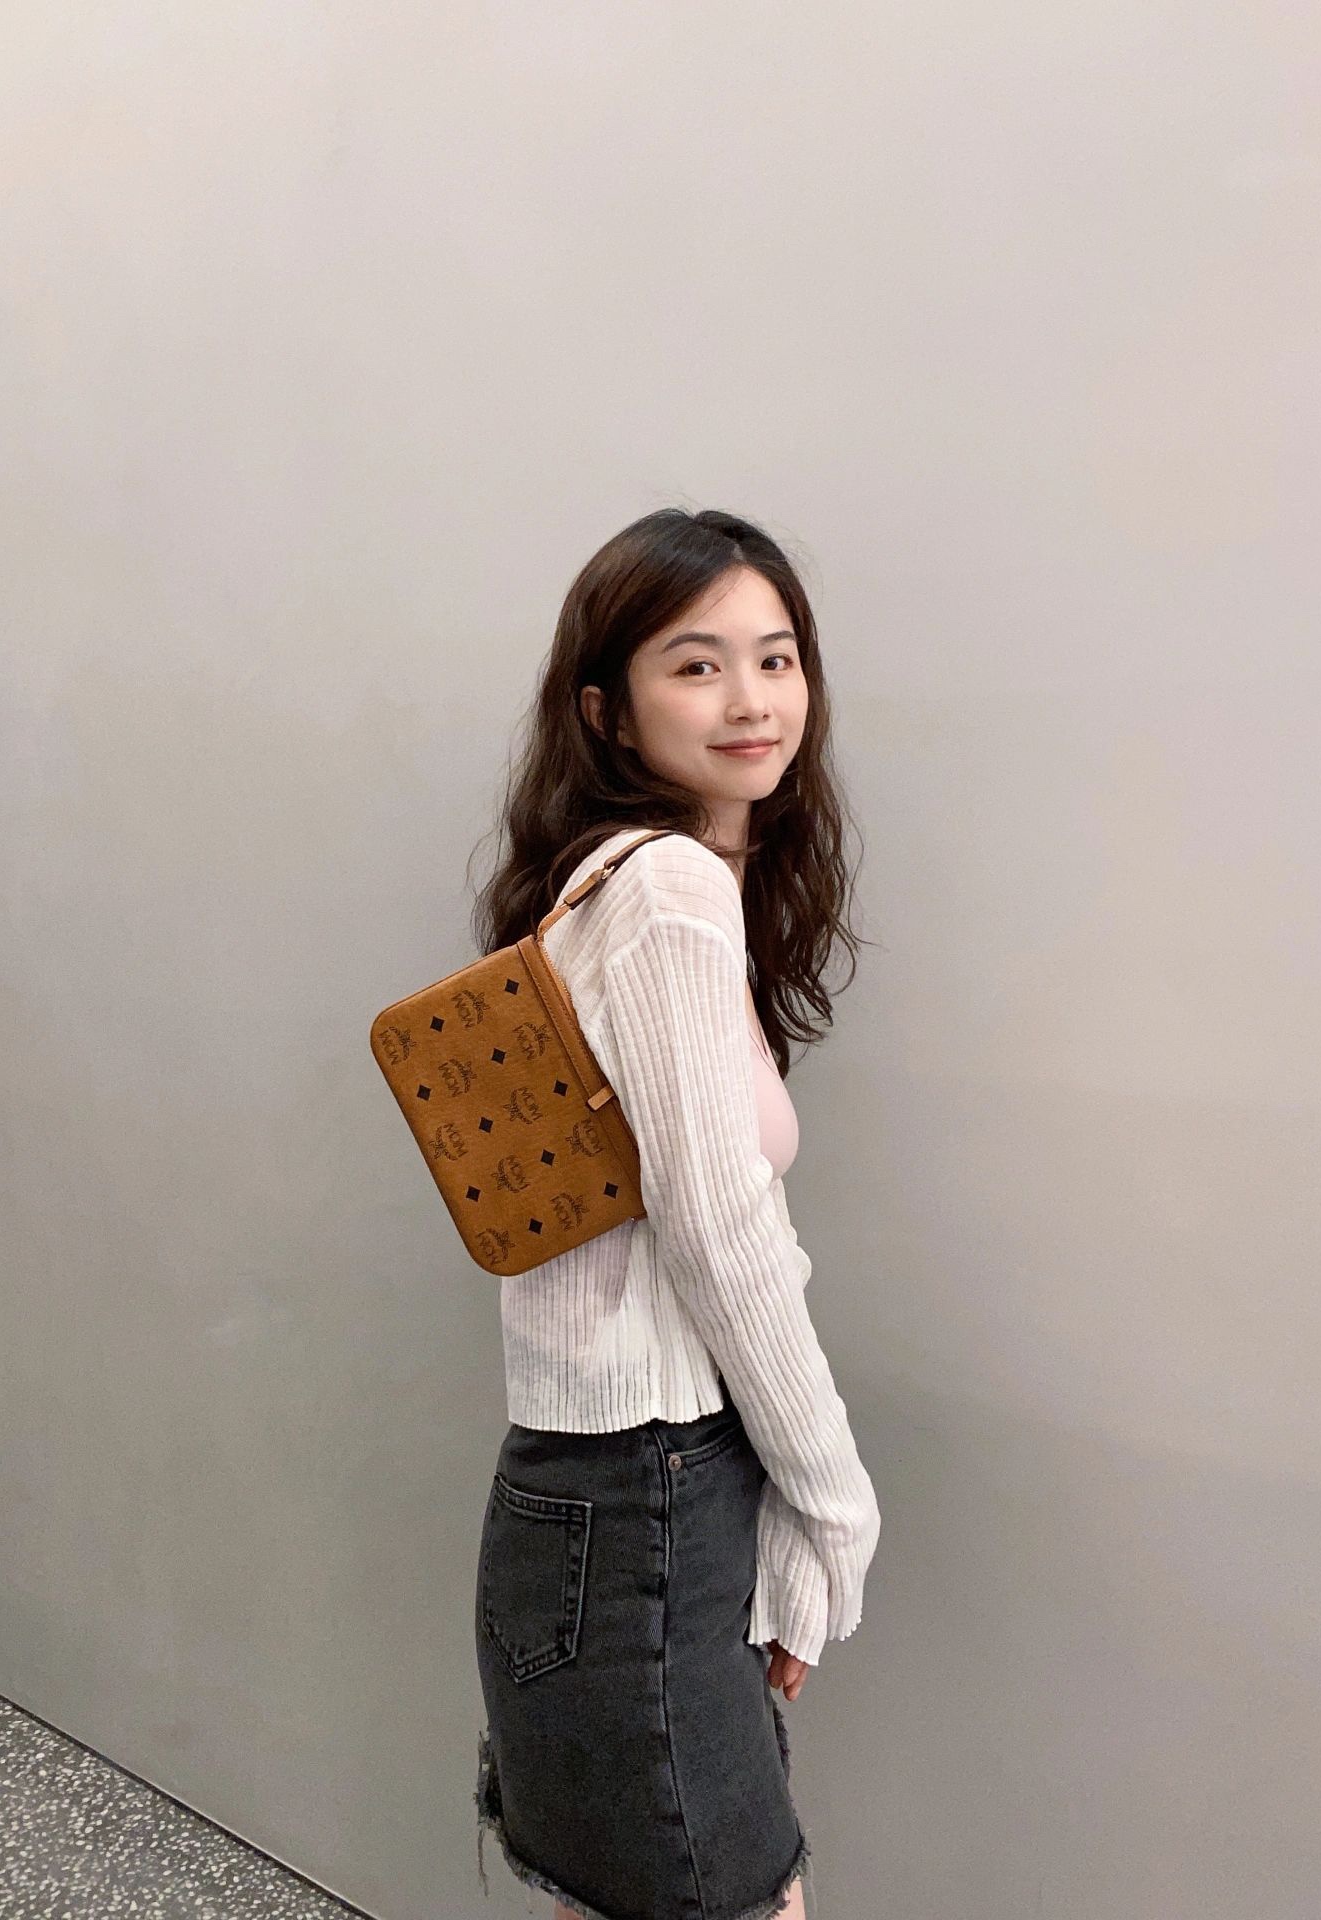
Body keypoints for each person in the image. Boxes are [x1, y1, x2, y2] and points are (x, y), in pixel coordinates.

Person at [469, 507, 883, 1920]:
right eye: (698, 665)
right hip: (647, 1495)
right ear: (608, 710)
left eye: (777, 657)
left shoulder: (615, 888)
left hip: (605, 1497)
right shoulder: (668, 892)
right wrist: (836, 1504)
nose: (753, 698)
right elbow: (722, 1239)